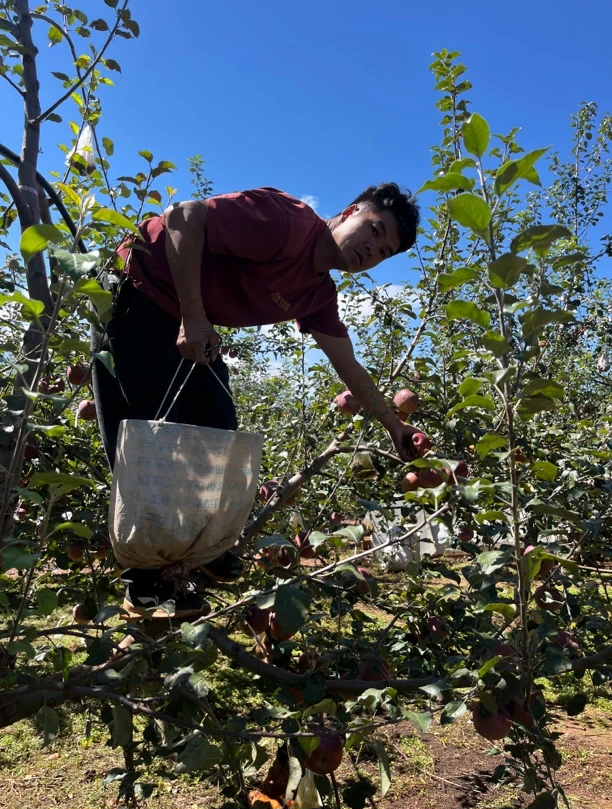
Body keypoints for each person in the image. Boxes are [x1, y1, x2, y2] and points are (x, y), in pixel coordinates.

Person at [92, 183, 420, 617]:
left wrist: (395, 426)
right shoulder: (287, 225)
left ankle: (201, 549)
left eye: (383, 252)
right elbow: (183, 216)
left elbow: (350, 368)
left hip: (186, 318)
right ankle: (144, 584)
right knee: (154, 441)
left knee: (218, 422)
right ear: (350, 211)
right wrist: (193, 314)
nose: (372, 249)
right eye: (374, 231)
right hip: (136, 289)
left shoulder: (317, 294)